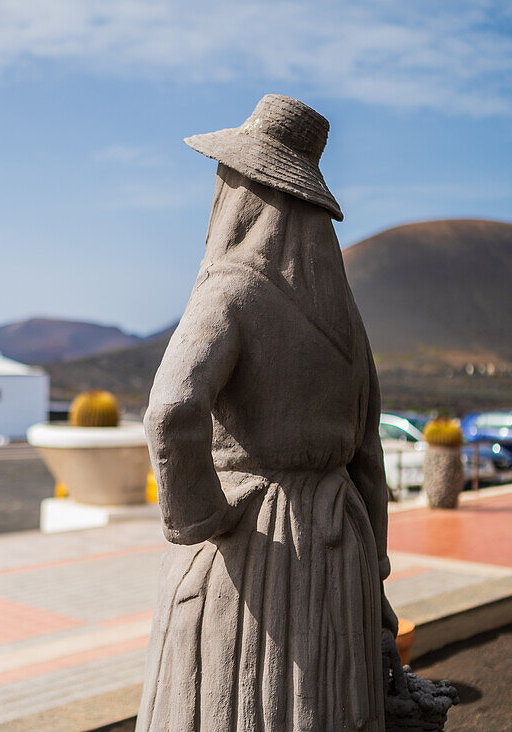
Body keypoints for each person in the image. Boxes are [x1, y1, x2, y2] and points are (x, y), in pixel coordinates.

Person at [137, 95, 398, 731]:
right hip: (342, 552)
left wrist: (201, 515)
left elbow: (171, 410)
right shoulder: (346, 321)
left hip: (256, 555)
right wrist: (378, 583)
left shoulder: (233, 286)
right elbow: (368, 456)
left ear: (241, 187)